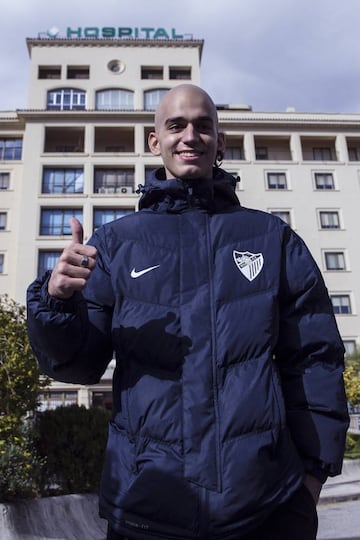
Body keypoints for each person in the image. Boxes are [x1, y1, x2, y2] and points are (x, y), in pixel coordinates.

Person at [27, 84, 349, 540]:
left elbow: (315, 361)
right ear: (155, 141)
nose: (190, 135)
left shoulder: (271, 239)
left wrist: (310, 482)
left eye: (203, 125)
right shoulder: (116, 245)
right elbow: (79, 365)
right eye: (176, 125)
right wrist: (57, 303)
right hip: (146, 509)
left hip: (265, 509)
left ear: (221, 140)